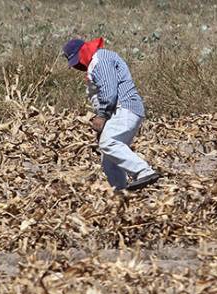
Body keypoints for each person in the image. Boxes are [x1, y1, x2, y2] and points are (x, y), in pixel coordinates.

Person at [62, 37, 160, 191]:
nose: (77, 66)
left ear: (82, 52)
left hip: (125, 108)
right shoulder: (95, 63)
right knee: (109, 160)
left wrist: (102, 116)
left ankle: (144, 171)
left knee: (108, 143)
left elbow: (109, 91)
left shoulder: (101, 59)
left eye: (76, 61)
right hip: (120, 111)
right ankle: (121, 195)